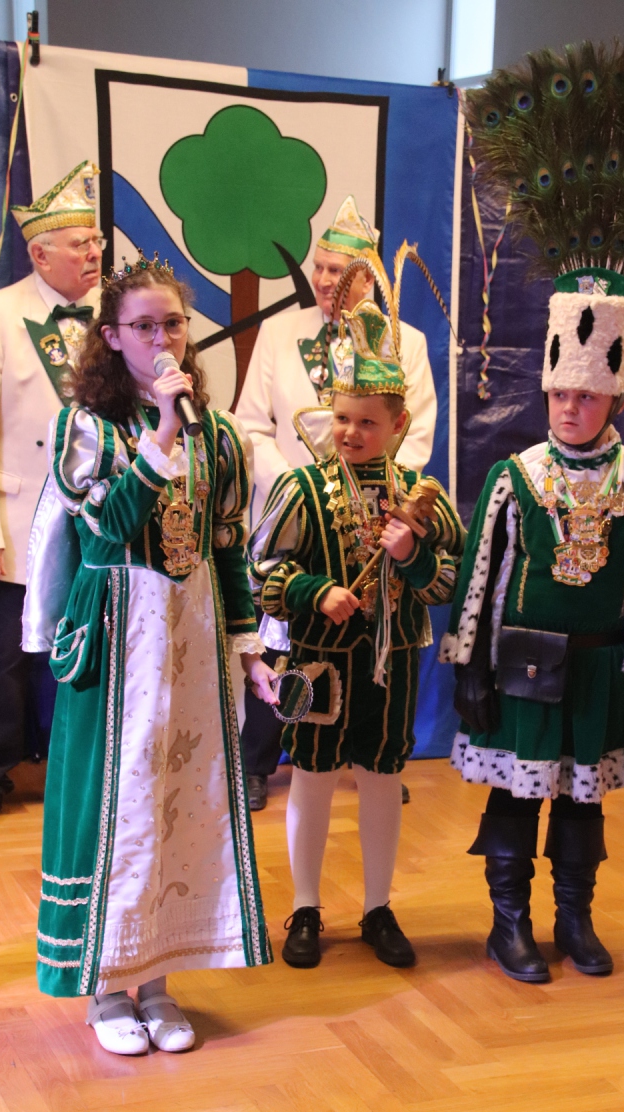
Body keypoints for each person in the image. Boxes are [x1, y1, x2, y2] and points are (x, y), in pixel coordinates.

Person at [443, 39, 624, 983]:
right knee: (515, 801)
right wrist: (470, 670)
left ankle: (574, 919)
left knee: (583, 801)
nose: (572, 407)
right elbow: (480, 583)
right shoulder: (516, 475)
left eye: (589, 395)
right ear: (548, 389)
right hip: (522, 664)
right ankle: (509, 924)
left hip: (602, 664)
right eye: (562, 393)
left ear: (616, 393)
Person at [25, 254, 277, 1054]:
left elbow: (228, 547)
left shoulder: (220, 435)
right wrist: (162, 433)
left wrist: (248, 649)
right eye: (144, 326)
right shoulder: (88, 429)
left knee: (182, 801)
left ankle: (160, 979)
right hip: (118, 633)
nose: (163, 339)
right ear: (111, 336)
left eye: (173, 323)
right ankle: (107, 990)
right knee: (118, 802)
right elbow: (105, 530)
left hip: (190, 635)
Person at [248, 245, 464, 969]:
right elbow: (262, 573)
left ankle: (376, 907)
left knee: (381, 779)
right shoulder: (302, 489)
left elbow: (448, 581)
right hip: (318, 662)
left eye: (367, 423)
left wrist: (412, 556)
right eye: (341, 419)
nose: (350, 433)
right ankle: (306, 907)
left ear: (397, 426)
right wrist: (316, 592)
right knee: (311, 778)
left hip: (393, 666)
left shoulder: (421, 499)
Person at [236, 196, 438, 809]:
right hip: (297, 510)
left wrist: (378, 493)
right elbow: (251, 426)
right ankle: (258, 759)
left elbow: (415, 436)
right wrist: (299, 487)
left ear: (367, 279)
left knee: (370, 631)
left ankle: (377, 759)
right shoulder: (279, 332)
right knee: (285, 631)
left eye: (337, 271)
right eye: (319, 268)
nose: (324, 280)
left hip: (371, 517)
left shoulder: (409, 343)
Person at [0, 161, 103, 834]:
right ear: (40, 254)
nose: (95, 252)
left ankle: (86, 774)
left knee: (92, 650)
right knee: (6, 661)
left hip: (99, 517)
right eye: (80, 243)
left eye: (97, 240)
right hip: (21, 521)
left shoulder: (117, 315)